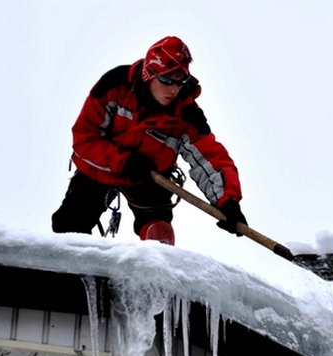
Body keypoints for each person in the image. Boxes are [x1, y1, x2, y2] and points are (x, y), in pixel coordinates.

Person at [51, 35, 247, 246]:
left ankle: (151, 272)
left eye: (180, 82)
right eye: (167, 80)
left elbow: (212, 158)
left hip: (151, 177)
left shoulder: (187, 115)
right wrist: (122, 162)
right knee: (69, 225)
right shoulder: (114, 85)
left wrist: (227, 202)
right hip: (100, 167)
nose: (174, 89)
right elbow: (84, 137)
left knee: (159, 234)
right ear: (149, 74)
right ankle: (69, 268)